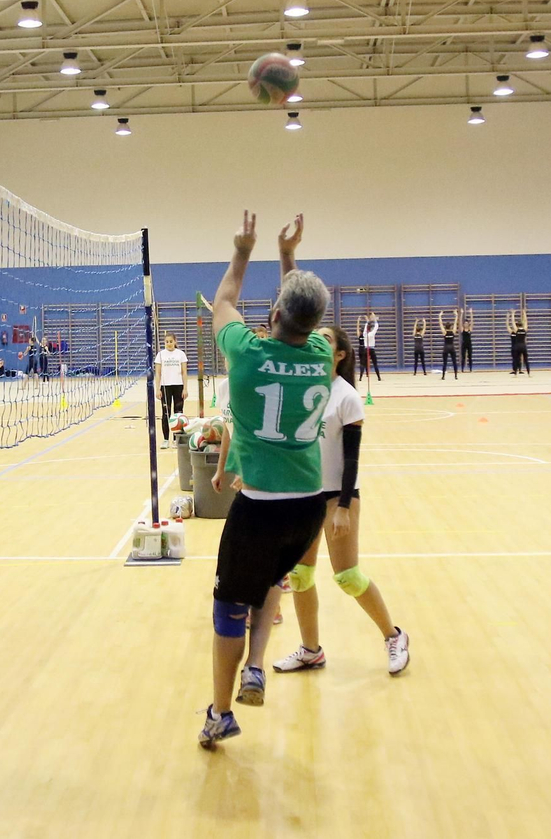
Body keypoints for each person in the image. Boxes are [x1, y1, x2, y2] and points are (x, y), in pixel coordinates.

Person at [198, 211, 332, 750]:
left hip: (259, 506)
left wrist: (243, 250)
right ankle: (256, 662)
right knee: (274, 578)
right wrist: (286, 256)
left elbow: (224, 300)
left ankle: (220, 713)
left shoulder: (246, 353)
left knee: (228, 609)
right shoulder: (321, 354)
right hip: (309, 507)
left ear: (273, 313)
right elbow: (299, 310)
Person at [271, 324, 409, 677]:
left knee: (347, 576)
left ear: (340, 354)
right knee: (300, 575)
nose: (316, 340)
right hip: (304, 495)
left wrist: (344, 507)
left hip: (338, 497)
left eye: (326, 338)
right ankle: (311, 651)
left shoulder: (347, 397)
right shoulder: (302, 389)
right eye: (314, 336)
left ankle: (394, 636)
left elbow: (351, 459)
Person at [155, 332, 188, 448]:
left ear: (175, 341)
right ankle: (165, 439)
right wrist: (157, 389)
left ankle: (176, 439)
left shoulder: (181, 354)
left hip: (178, 386)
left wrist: (185, 388)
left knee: (178, 413)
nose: (169, 344)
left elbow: (184, 372)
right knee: (166, 413)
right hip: (165, 387)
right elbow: (158, 373)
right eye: (167, 342)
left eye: (171, 341)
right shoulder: (160, 355)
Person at [357, 311, 381, 382]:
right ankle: (379, 377)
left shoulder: (364, 334)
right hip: (372, 349)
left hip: (365, 349)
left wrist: (367, 321)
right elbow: (376, 327)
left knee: (362, 363)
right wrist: (374, 318)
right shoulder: (372, 333)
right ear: (370, 329)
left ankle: (360, 377)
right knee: (375, 363)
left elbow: (365, 328)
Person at [437, 309, 459, 379]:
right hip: (452, 347)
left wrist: (440, 316)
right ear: (451, 327)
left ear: (445, 327)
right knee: (454, 362)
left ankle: (443, 376)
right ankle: (456, 376)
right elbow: (455, 323)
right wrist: (456, 315)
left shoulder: (444, 332)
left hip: (446, 348)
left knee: (445, 362)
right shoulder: (453, 332)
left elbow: (440, 324)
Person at [508, 309, 531, 374]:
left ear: (517, 326)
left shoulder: (516, 330)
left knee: (516, 359)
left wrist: (513, 314)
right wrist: (524, 313)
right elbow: (526, 321)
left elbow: (513, 322)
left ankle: (515, 373)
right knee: (526, 360)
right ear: (522, 325)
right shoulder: (525, 329)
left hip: (517, 346)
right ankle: (528, 373)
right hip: (523, 346)